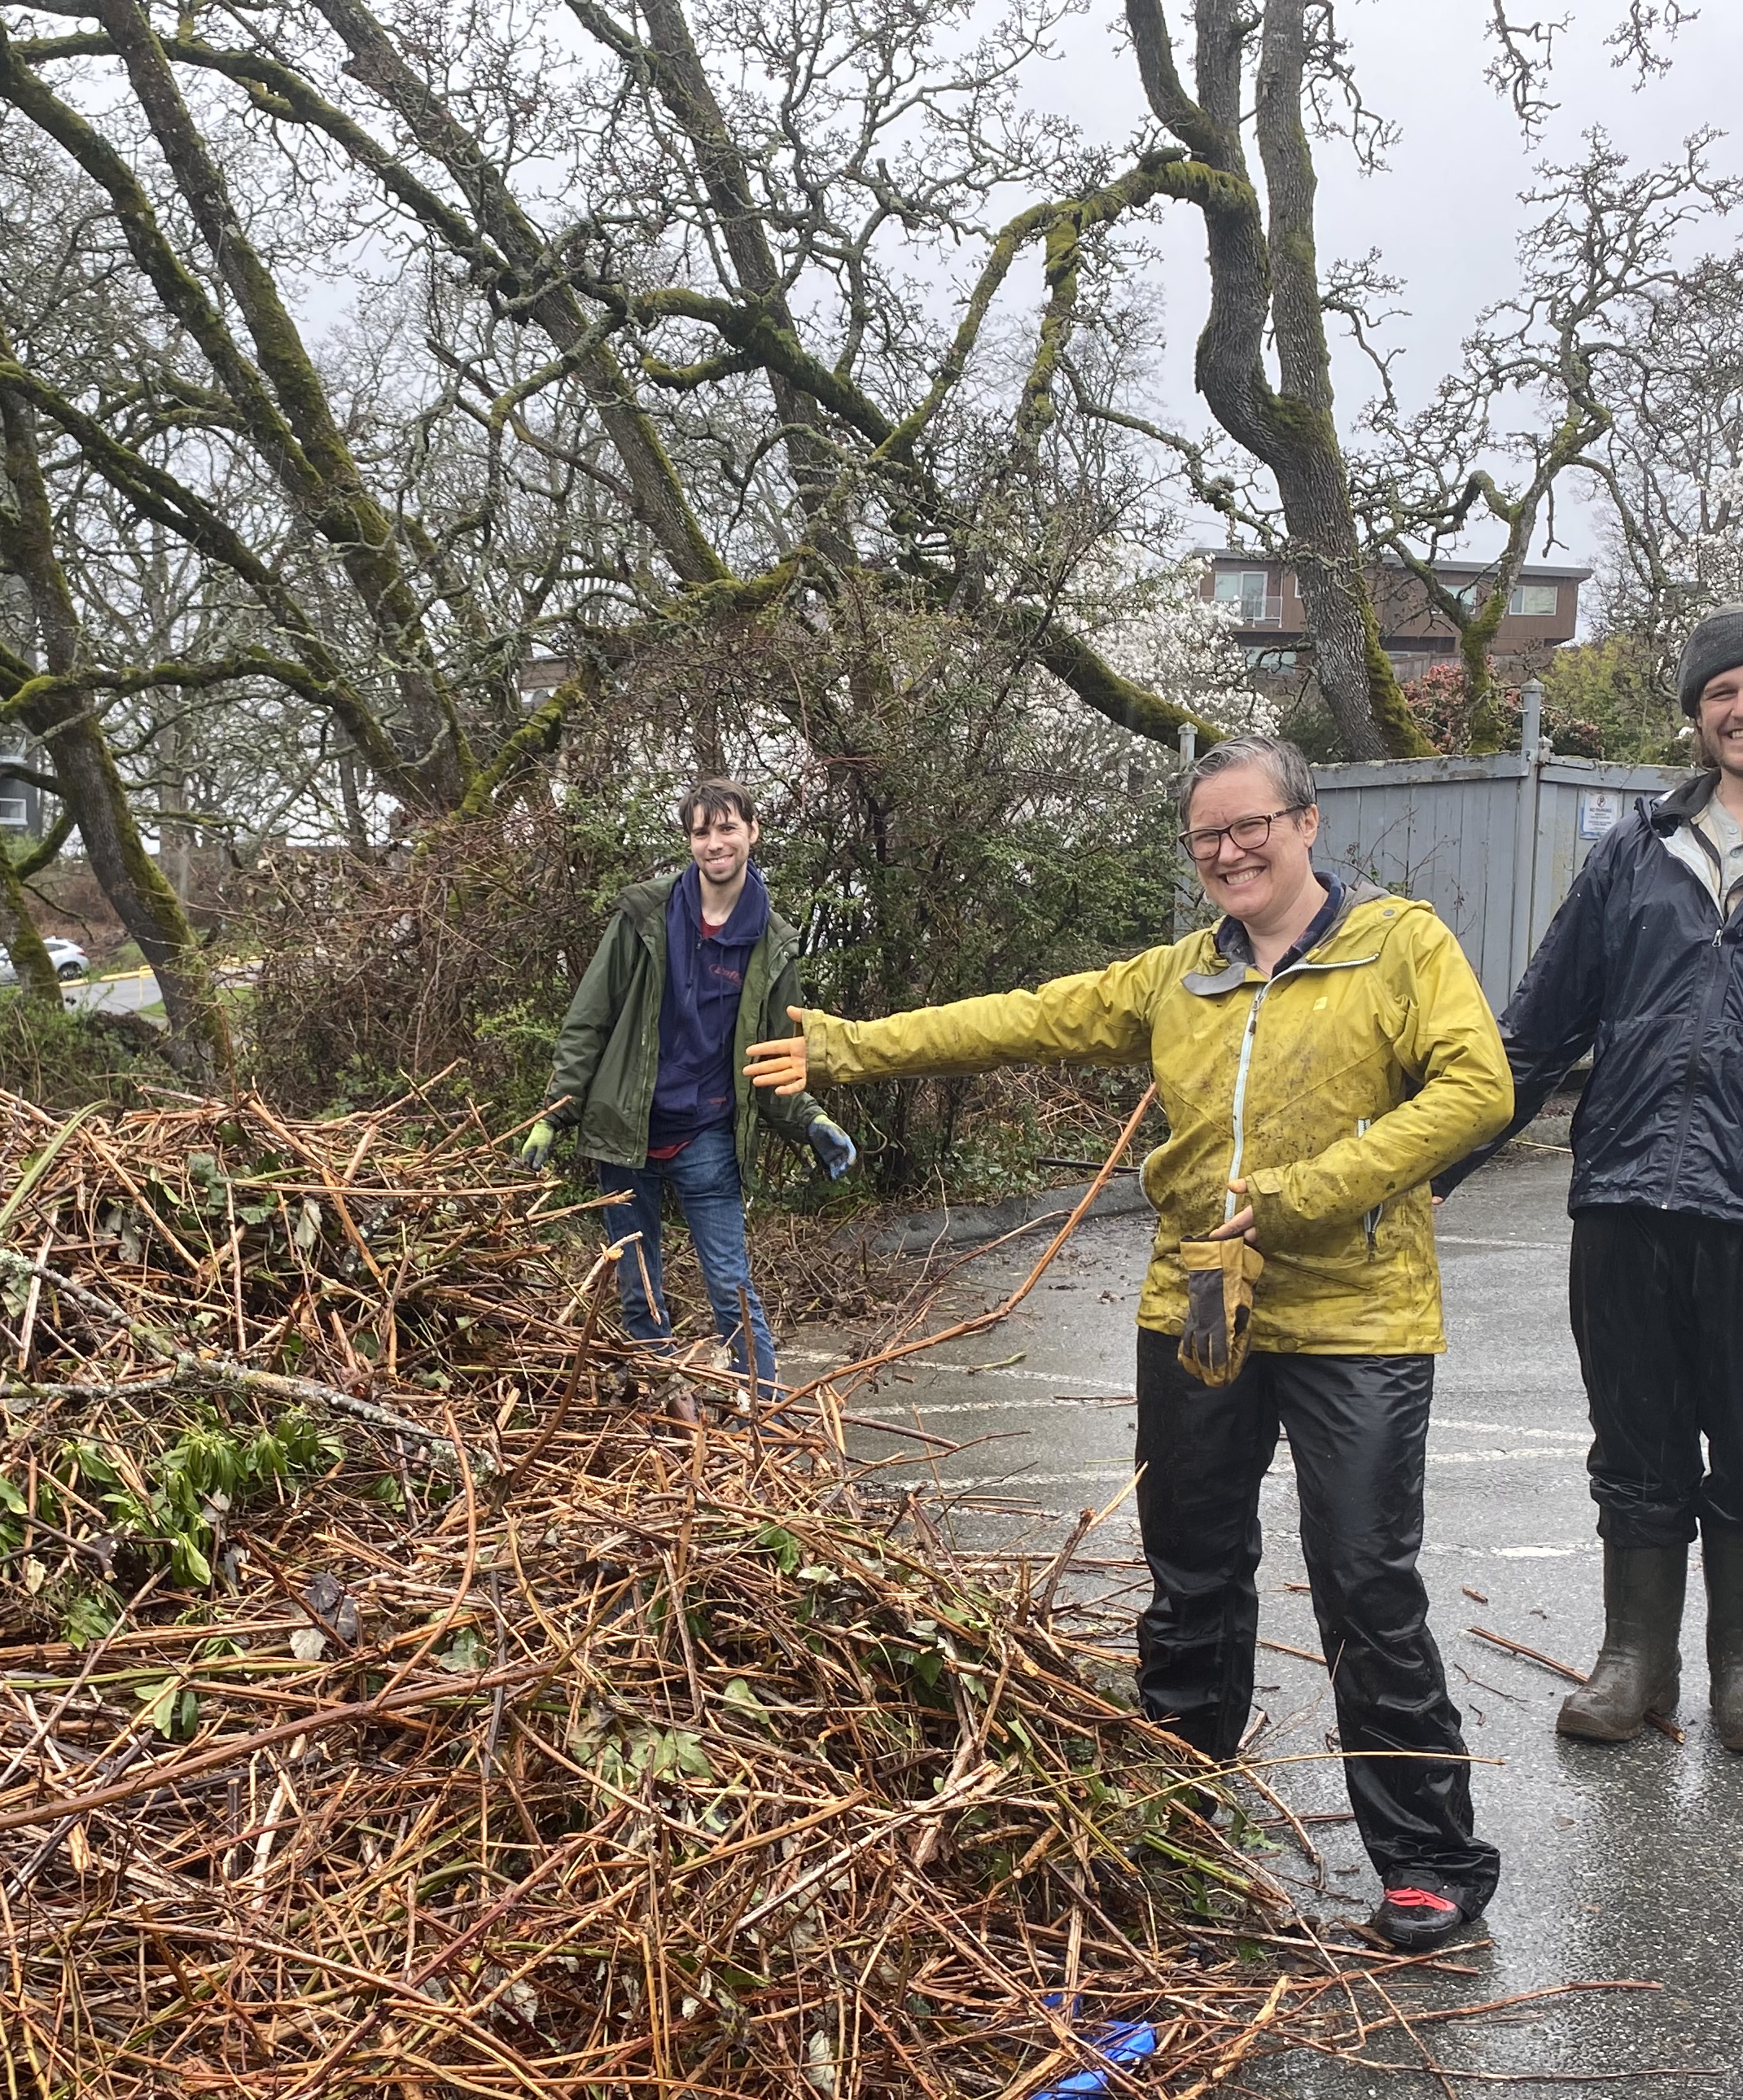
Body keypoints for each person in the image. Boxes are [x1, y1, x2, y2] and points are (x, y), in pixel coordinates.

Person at [746, 737, 1513, 1953]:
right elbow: (1023, 1019)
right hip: (1204, 1301)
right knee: (1194, 1570)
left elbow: (1476, 1092)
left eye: (1250, 825)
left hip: (1358, 1315)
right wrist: (852, 1047)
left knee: (1367, 1584)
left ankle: (1428, 1858)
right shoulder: (1181, 975)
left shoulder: (1401, 945)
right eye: (1207, 836)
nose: (1230, 851)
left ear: (1306, 823)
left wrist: (1317, 1187)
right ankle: (1176, 1817)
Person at [1439, 605, 1743, 1755]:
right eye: (1721, 693)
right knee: (1635, 1439)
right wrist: (1430, 1166)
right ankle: (1634, 1662)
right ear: (1697, 713)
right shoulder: (1635, 851)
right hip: (1625, 1194)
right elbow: (1535, 1030)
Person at [519, 781, 856, 1396]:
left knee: (731, 1284)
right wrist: (556, 1111)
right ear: (689, 841)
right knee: (637, 1287)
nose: (714, 843)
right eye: (701, 832)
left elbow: (776, 1053)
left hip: (706, 1133)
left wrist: (810, 1118)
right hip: (627, 1127)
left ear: (752, 832)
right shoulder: (645, 915)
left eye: (727, 828)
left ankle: (767, 1416)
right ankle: (658, 1409)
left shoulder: (772, 942)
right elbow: (590, 1018)